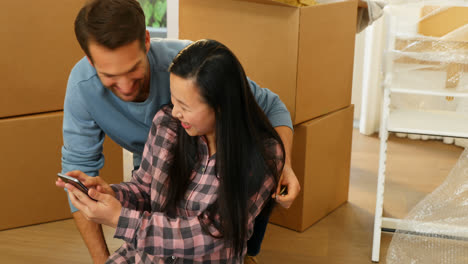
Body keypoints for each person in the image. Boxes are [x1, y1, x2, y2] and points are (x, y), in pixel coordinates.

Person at [61, 0, 300, 263]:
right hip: (154, 235)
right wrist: (110, 195)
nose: (126, 87)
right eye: (171, 100)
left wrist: (285, 165)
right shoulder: (167, 123)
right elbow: (145, 187)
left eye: (183, 104)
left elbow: (211, 235)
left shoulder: (195, 70)